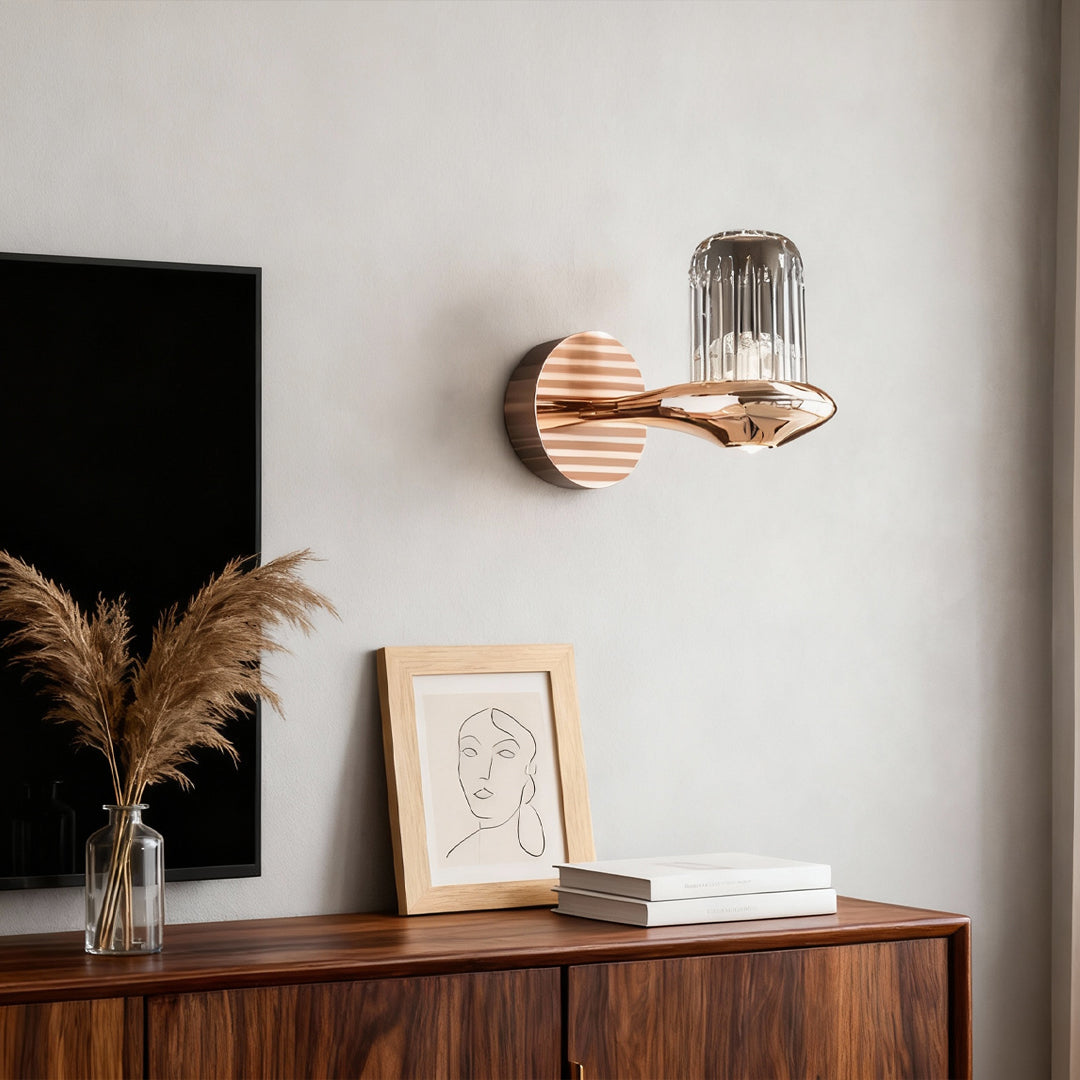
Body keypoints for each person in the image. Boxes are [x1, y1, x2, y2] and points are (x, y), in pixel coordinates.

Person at [445, 707, 545, 864]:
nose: (484, 773)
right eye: (470, 751)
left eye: (504, 753)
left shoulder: (537, 857)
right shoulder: (457, 858)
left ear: (529, 768)